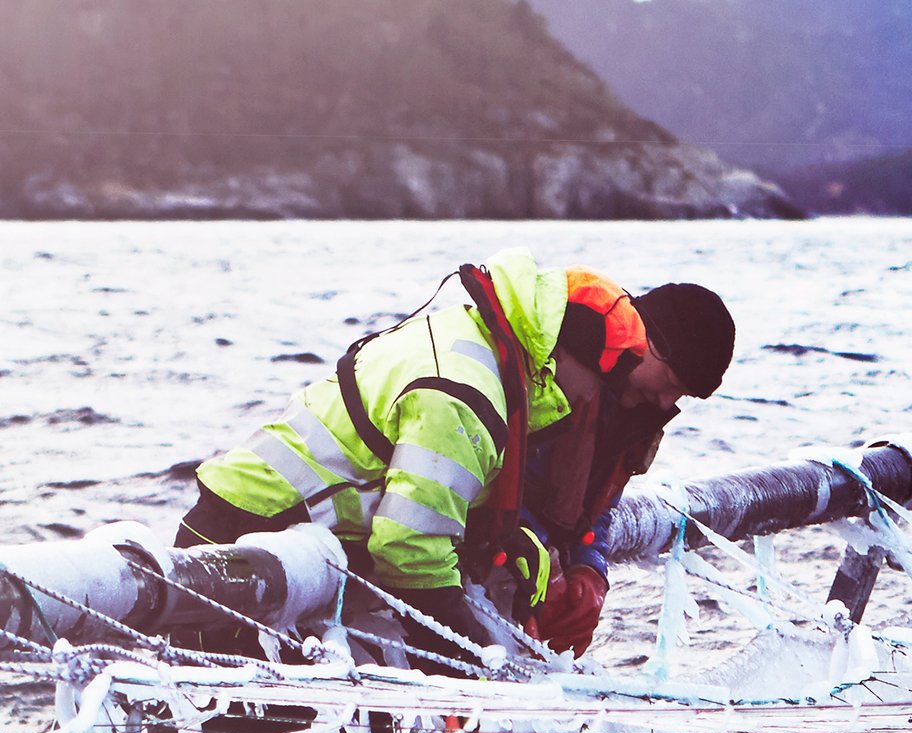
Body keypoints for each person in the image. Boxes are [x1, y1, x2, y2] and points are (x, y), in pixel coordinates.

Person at [179, 248, 735, 666]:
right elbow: (410, 553)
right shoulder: (467, 394)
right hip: (244, 537)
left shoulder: (514, 363)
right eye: (596, 383)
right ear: (566, 356)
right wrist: (475, 664)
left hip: (316, 541)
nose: (590, 403)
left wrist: (570, 562)